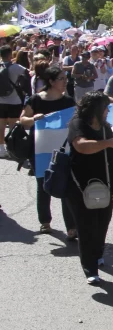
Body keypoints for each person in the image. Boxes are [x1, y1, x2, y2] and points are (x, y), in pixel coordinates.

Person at [66, 91, 113, 285]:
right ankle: (90, 268)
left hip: (106, 184)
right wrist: (106, 143)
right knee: (86, 227)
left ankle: (98, 252)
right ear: (96, 109)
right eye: (105, 108)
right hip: (81, 187)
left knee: (102, 222)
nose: (108, 111)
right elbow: (81, 146)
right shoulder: (77, 124)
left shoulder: (105, 127)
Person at [19, 66, 77, 236]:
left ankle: (71, 227)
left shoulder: (68, 101)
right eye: (61, 79)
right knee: (43, 184)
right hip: (40, 149)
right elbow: (23, 120)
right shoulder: (36, 100)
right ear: (51, 82)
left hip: (63, 150)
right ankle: (45, 221)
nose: (65, 82)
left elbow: (75, 121)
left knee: (66, 185)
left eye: (66, 79)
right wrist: (33, 119)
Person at [0, 45, 29, 159]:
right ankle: (11, 148)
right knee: (12, 125)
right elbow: (28, 72)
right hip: (14, 100)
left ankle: (1, 149)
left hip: (0, 101)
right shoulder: (16, 67)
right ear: (10, 54)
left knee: (1, 125)